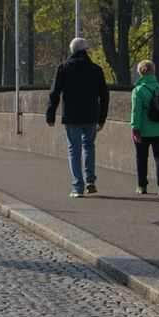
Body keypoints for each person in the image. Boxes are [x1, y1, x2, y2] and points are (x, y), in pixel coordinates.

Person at [44, 36, 110, 198]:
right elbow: (104, 95)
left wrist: (50, 114)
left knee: (74, 150)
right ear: (85, 50)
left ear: (72, 51)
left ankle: (77, 187)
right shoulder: (96, 69)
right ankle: (90, 180)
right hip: (91, 115)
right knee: (88, 146)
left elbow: (55, 93)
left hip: (72, 115)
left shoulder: (64, 68)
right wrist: (102, 117)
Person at [131, 59, 159, 196]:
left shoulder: (138, 90)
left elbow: (136, 112)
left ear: (140, 73)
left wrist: (135, 129)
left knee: (142, 157)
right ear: (153, 71)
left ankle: (142, 185)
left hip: (144, 130)